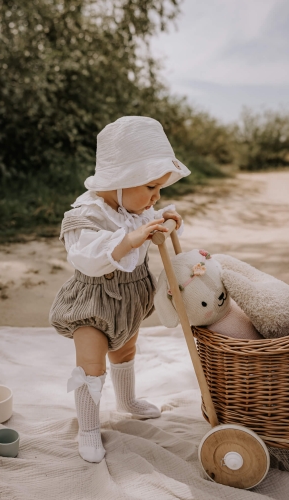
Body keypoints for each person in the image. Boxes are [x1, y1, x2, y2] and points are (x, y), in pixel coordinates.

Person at [50, 116, 191, 463]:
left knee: (126, 351)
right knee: (91, 364)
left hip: (129, 298)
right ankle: (88, 427)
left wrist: (167, 220)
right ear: (120, 181)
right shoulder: (84, 216)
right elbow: (87, 257)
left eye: (160, 189)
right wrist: (129, 240)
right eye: (151, 187)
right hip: (94, 302)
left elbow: (153, 220)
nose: (155, 197)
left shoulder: (135, 207)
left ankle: (126, 400)